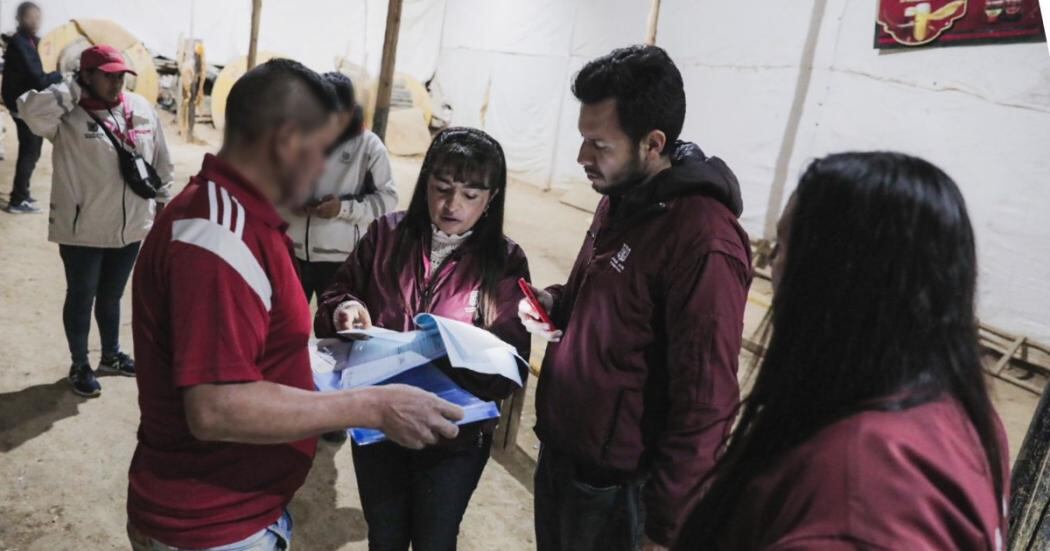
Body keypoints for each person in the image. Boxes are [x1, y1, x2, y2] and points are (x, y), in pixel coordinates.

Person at [126, 58, 463, 551]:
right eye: (323, 149)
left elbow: (248, 355)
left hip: (236, 510)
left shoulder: (242, 218)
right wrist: (370, 404)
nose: (326, 167)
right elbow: (217, 408)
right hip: (211, 524)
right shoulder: (218, 238)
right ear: (285, 139)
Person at [673, 152, 1010, 550]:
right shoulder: (964, 417)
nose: (770, 266)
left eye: (783, 247)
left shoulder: (862, 492)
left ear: (836, 278)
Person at [518, 45, 751, 551]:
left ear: (653, 143)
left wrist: (665, 529)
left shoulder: (703, 241)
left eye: (597, 145)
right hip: (565, 458)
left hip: (618, 492)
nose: (582, 158)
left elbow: (706, 401)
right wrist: (554, 303)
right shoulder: (619, 201)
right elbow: (607, 303)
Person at [314, 127, 531, 551]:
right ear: (425, 182)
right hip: (381, 422)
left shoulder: (505, 260)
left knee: (436, 539)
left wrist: (458, 353)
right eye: (442, 188)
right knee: (386, 536)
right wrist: (344, 310)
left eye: (470, 194)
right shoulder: (384, 236)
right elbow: (336, 298)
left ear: (492, 197)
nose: (452, 205)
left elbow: (509, 365)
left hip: (454, 434)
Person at [17, 44, 173, 397]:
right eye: (108, 75)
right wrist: (71, 88)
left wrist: (163, 202)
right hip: (82, 228)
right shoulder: (65, 115)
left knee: (112, 295)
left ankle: (111, 354)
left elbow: (162, 158)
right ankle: (79, 363)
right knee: (82, 294)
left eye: (121, 75)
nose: (117, 82)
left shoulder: (141, 108)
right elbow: (27, 110)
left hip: (132, 225)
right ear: (87, 75)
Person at [286, 71, 397, 302]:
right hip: (291, 252)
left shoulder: (369, 147)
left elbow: (388, 200)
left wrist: (342, 209)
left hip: (341, 259)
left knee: (337, 329)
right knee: (285, 329)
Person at [2, 1, 60, 213]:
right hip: (22, 106)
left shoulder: (32, 41)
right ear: (19, 18)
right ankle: (17, 200)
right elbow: (38, 78)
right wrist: (60, 74)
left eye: (38, 17)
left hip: (26, 105)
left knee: (32, 150)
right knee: (30, 151)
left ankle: (22, 194)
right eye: (30, 17)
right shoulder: (20, 43)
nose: (35, 21)